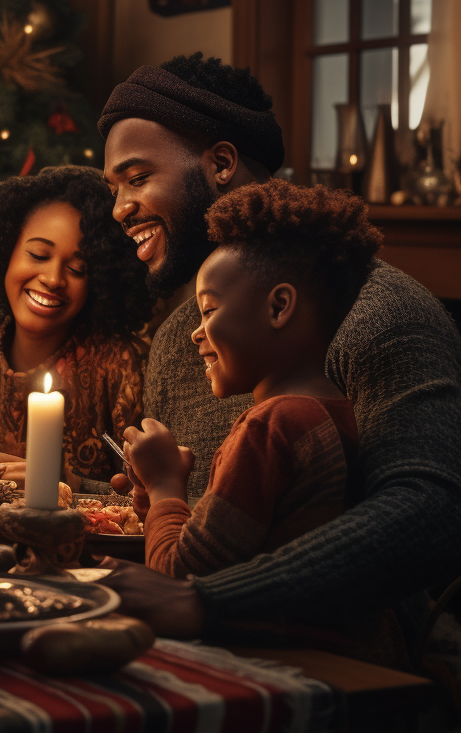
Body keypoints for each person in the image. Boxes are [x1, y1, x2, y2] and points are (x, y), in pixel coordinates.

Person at [97, 53, 461, 651]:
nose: (118, 209)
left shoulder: (382, 316)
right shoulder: (178, 337)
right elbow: (203, 529)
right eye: (114, 189)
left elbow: (426, 514)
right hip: (205, 645)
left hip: (349, 671)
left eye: (136, 178)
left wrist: (206, 601)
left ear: (220, 164)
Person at [127, 181, 377, 581]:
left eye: (209, 310)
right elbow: (230, 553)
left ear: (279, 306)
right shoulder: (334, 413)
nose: (195, 332)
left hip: (271, 642)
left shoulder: (269, 428)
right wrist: (158, 504)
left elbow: (179, 579)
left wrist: (164, 485)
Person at [0, 166, 153, 493]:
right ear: (5, 252)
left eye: (77, 268)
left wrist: (57, 483)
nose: (54, 279)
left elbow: (149, 495)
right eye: (39, 254)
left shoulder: (124, 364)